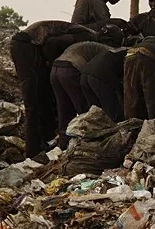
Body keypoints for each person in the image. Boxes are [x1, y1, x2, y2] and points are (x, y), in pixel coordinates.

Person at [10, 21, 124, 158]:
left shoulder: (85, 35)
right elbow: (53, 44)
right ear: (110, 40)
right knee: (81, 111)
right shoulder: (86, 36)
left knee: (59, 108)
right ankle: (34, 152)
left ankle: (56, 147)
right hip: (29, 47)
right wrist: (49, 63)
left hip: (51, 65)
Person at [51, 40, 123, 149]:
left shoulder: (90, 45)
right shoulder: (110, 50)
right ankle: (87, 144)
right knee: (85, 111)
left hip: (55, 69)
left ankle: (64, 145)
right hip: (72, 68)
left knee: (64, 110)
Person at [124, 36, 155, 120]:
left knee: (131, 94)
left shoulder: (141, 44)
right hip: (147, 56)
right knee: (152, 94)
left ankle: (131, 124)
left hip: (129, 55)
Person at [81, 48, 127, 122]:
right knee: (112, 109)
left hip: (84, 74)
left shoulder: (117, 51)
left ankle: (97, 132)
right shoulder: (133, 55)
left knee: (95, 113)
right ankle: (115, 131)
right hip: (101, 75)